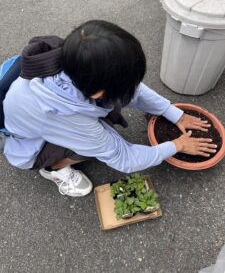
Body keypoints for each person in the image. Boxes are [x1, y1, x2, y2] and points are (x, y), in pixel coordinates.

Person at [3, 20, 217, 197]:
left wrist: (174, 114)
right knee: (91, 147)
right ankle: (53, 169)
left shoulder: (77, 59)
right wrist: (177, 145)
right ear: (97, 93)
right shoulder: (69, 120)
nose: (132, 89)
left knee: (110, 108)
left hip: (39, 113)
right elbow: (124, 158)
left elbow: (134, 90)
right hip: (31, 144)